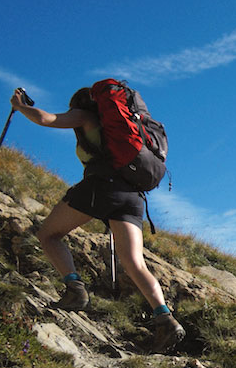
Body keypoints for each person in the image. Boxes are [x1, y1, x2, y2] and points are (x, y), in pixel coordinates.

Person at [10, 87, 185, 353]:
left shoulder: (85, 116)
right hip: (132, 196)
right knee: (135, 262)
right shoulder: (129, 131)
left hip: (101, 187)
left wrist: (21, 106)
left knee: (48, 235)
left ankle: (75, 289)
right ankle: (165, 318)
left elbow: (45, 119)